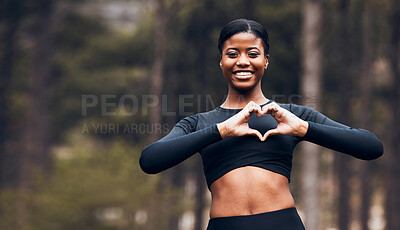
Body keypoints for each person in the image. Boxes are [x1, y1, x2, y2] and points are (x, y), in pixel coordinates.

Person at [139, 18, 384, 230]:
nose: (243, 61)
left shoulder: (291, 116)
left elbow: (371, 146)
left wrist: (303, 128)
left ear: (265, 61)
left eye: (253, 54)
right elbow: (150, 160)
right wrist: (221, 130)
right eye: (232, 54)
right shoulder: (199, 123)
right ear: (221, 61)